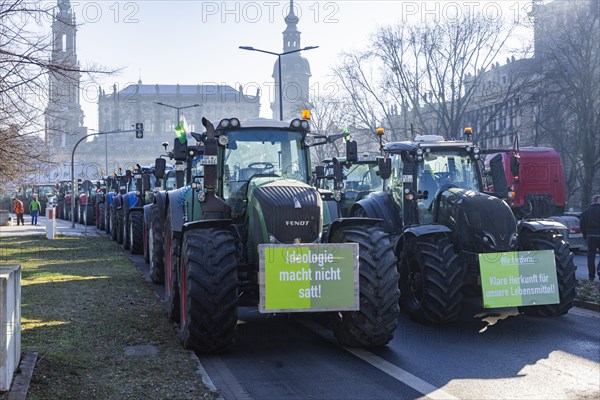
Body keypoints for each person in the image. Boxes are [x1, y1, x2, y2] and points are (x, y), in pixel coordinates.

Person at [580, 194, 600, 281]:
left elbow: (581, 225)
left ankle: (591, 276)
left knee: (591, 257)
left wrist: (585, 235)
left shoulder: (586, 212)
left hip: (590, 236)